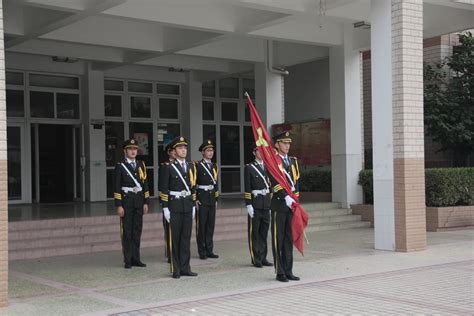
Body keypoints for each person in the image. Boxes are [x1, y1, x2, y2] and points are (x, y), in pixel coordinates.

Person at [160, 136, 198, 279]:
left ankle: (185, 267)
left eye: (185, 148)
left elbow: (193, 187)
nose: (183, 150)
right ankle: (176, 268)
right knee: (175, 239)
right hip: (174, 206)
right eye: (180, 148)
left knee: (185, 238)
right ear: (174, 151)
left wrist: (193, 205)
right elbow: (164, 189)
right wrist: (165, 208)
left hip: (187, 205)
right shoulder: (168, 167)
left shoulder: (191, 166)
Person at [269, 131, 301, 282]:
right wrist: (286, 197)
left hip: (291, 206)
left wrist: (296, 200)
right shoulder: (273, 161)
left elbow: (297, 182)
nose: (287, 146)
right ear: (277, 144)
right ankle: (279, 271)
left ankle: (289, 270)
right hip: (279, 205)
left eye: (288, 143)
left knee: (289, 239)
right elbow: (274, 183)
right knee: (278, 239)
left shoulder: (293, 161)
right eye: (284, 143)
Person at [114, 138, 150, 269]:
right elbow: (117, 186)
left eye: (135, 149)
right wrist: (119, 205)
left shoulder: (141, 165)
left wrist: (146, 201)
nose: (133, 151)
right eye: (130, 149)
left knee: (137, 230)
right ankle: (127, 259)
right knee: (127, 231)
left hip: (138, 201)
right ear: (125, 151)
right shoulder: (120, 166)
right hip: (127, 202)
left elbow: (145, 184)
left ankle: (136, 258)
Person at [244, 147, 273, 268]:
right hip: (255, 204)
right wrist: (248, 204)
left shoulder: (268, 167)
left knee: (264, 232)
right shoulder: (249, 168)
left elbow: (271, 186)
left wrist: (271, 203)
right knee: (254, 232)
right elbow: (247, 187)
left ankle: (263, 257)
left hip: (266, 203)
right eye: (258, 151)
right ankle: (256, 258)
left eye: (263, 151)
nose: (261, 153)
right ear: (254, 152)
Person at [195, 140, 220, 260]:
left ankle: (210, 249)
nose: (211, 153)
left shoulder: (214, 166)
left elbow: (216, 184)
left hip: (211, 198)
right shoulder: (197, 166)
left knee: (210, 225)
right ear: (203, 152)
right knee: (202, 226)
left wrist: (216, 198)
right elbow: (192, 183)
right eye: (208, 151)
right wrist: (195, 198)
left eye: (212, 150)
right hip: (202, 198)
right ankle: (202, 251)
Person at [158, 142, 176, 263]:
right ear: (169, 152)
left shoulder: (183, 165)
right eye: (173, 150)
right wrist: (163, 203)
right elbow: (162, 185)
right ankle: (170, 253)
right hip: (169, 200)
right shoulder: (165, 166)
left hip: (179, 201)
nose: (175, 152)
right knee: (169, 229)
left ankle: (176, 252)